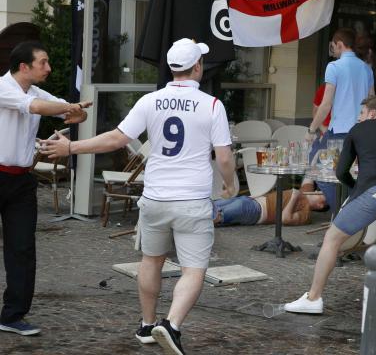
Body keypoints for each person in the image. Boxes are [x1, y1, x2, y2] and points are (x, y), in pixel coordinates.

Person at [41, 38, 236, 354]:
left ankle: (147, 325)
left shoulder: (151, 101)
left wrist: (71, 147)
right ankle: (171, 325)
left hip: (155, 197)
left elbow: (117, 139)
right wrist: (231, 186)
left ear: (172, 68)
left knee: (151, 261)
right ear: (197, 66)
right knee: (194, 269)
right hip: (192, 200)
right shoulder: (212, 105)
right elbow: (224, 158)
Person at [285, 95, 376, 314]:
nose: (359, 118)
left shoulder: (357, 130)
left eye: (361, 113)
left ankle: (313, 298)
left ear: (372, 114)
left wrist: (356, 188)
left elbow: (341, 171)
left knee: (332, 238)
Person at [0, 41, 90, 336]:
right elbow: (38, 108)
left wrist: (76, 112)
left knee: (23, 248)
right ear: (23, 66)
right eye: (43, 63)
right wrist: (69, 107)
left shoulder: (37, 91)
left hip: (22, 181)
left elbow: (74, 116)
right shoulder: (3, 88)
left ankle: (12, 316)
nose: (49, 68)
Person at [306, 27, 374, 212]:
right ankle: (352, 208)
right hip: (363, 131)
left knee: (315, 167)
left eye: (334, 46)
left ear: (340, 44)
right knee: (348, 174)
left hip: (340, 131)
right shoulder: (366, 69)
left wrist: (312, 129)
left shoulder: (334, 67)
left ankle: (344, 214)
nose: (333, 50)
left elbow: (326, 104)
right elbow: (372, 102)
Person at [214, 189, 327, 227]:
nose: (317, 191)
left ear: (320, 205)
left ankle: (198, 225)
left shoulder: (306, 213)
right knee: (212, 205)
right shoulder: (303, 192)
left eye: (321, 194)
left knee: (218, 215)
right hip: (251, 201)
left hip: (257, 211)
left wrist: (293, 197)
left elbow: (285, 219)